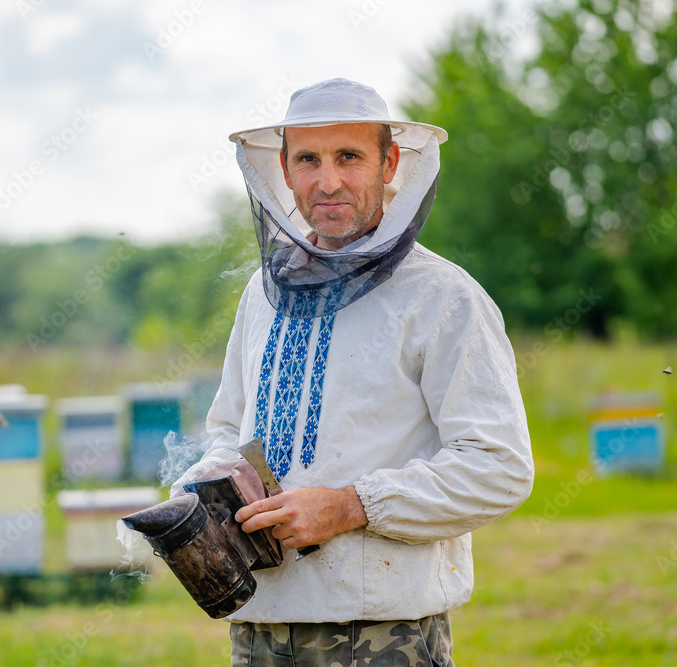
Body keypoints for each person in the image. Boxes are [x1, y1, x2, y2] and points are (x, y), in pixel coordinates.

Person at [171, 78, 534, 667]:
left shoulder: (442, 298)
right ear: (284, 170)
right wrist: (204, 487)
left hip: (381, 632)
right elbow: (227, 432)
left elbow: (499, 467)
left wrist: (349, 506)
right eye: (308, 159)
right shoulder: (261, 297)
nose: (328, 180)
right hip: (258, 628)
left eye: (349, 157)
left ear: (389, 163)